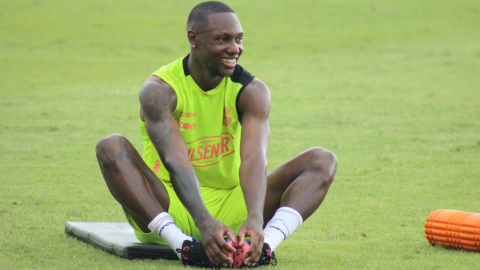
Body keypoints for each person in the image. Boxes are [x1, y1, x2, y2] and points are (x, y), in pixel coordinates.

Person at [95, 1, 337, 268]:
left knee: (322, 160)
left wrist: (255, 219)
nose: (234, 49)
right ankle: (184, 247)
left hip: (232, 204)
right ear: (193, 38)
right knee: (110, 146)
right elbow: (177, 162)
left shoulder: (252, 91)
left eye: (238, 39)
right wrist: (203, 222)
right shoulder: (160, 91)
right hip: (169, 206)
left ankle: (264, 246)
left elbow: (253, 160)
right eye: (223, 39)